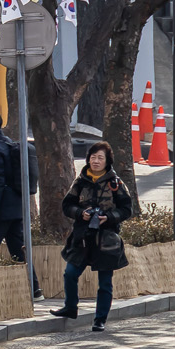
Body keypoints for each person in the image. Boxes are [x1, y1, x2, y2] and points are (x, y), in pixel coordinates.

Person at [50, 141, 133, 332]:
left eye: (100, 158)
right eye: (93, 157)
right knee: (70, 273)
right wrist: (80, 213)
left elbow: (127, 209)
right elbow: (67, 206)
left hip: (106, 239)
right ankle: (70, 307)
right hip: (82, 237)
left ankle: (100, 319)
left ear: (107, 161)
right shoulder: (80, 181)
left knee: (105, 282)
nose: (95, 161)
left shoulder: (116, 183)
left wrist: (109, 217)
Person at [0, 109, 39, 296]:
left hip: (1, 209)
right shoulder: (8, 144)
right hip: (16, 208)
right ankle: (35, 288)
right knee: (18, 250)